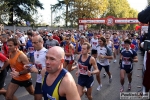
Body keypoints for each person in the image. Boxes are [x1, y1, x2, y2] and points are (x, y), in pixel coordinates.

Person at [32, 35, 47, 100]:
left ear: (41, 42)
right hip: (39, 80)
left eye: (35, 43)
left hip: (47, 81)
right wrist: (30, 67)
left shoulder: (47, 53)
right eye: (32, 42)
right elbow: (37, 65)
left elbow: (52, 69)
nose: (33, 45)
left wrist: (38, 71)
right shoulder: (35, 53)